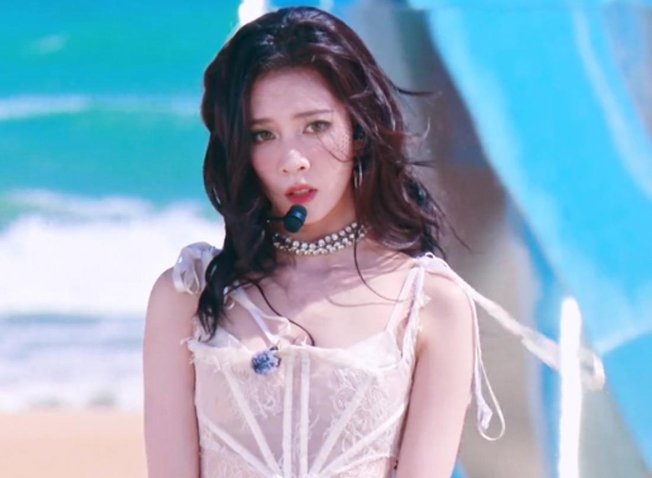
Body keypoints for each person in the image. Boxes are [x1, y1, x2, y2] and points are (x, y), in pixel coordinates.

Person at [143, 6, 605, 478]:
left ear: (358, 131)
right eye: (263, 134)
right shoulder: (188, 296)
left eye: (316, 126)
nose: (293, 159)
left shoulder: (429, 304)